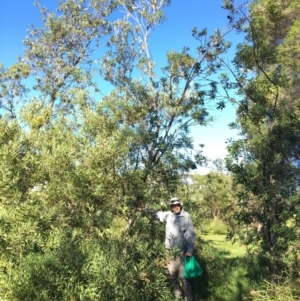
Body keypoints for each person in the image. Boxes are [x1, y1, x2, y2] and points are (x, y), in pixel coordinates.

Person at [144, 197, 195, 301]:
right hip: (169, 253)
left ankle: (189, 298)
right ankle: (178, 297)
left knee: (184, 277)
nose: (176, 207)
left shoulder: (186, 216)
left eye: (177, 205)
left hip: (182, 253)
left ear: (180, 205)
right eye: (173, 206)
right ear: (171, 207)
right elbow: (156, 214)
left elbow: (190, 233)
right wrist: (145, 209)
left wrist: (190, 250)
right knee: (173, 277)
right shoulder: (168, 215)